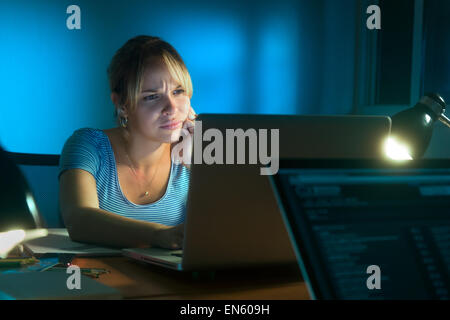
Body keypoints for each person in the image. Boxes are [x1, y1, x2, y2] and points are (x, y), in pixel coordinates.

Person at [58, 35, 196, 249]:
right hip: (101, 278)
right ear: (122, 105)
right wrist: (158, 235)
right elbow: (79, 220)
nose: (171, 108)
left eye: (178, 91)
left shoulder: (193, 154)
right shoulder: (88, 146)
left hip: (175, 280)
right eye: (152, 96)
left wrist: (203, 166)